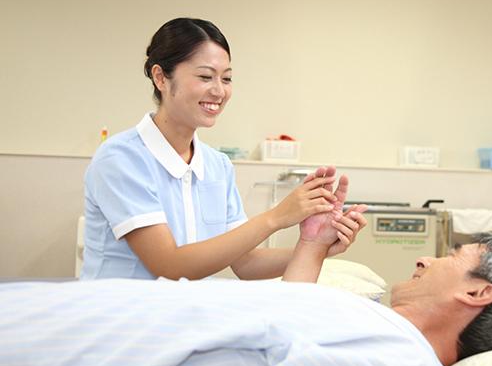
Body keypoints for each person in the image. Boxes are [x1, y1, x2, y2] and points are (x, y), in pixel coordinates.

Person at [0, 232, 492, 366]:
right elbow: (289, 310)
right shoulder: (374, 320)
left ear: (478, 294)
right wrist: (311, 241)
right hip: (60, 320)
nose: (426, 261)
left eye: (454, 256)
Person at [81, 17, 366, 281]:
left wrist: (315, 246)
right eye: (206, 77)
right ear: (160, 78)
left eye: (226, 78)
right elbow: (169, 265)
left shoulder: (216, 166)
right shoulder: (121, 158)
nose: (219, 91)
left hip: (184, 320)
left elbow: (246, 263)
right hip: (121, 321)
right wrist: (277, 217)